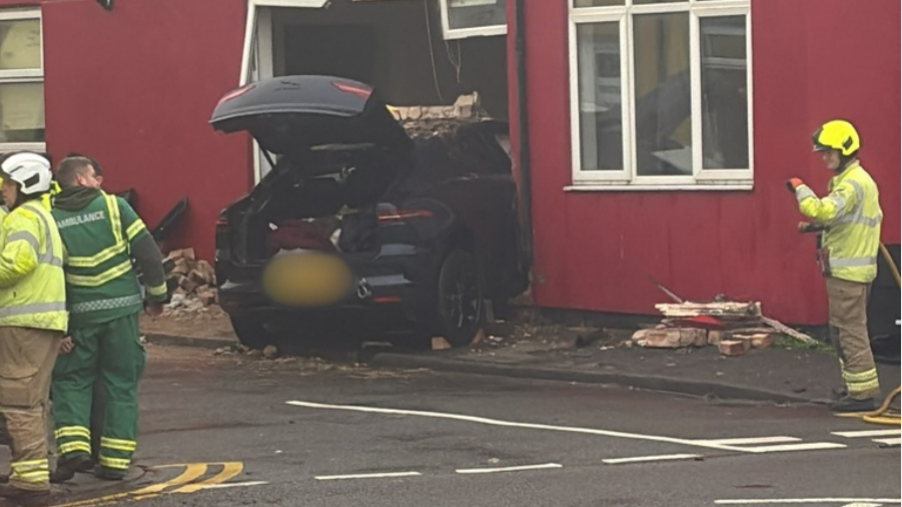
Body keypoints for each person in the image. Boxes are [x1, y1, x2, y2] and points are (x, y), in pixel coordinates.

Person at [50, 156, 168, 481]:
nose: (100, 180)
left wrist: (60, 325)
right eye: (94, 175)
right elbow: (148, 253)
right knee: (120, 384)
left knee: (71, 380)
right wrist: (157, 297)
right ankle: (115, 462)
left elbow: (52, 277)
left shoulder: (51, 217)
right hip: (122, 313)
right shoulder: (116, 207)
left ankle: (74, 450)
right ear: (82, 180)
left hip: (80, 318)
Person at [786, 119, 884, 413]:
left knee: (850, 332)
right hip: (847, 273)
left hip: (848, 276)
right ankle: (855, 388)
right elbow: (842, 221)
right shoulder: (851, 181)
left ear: (845, 150)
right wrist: (813, 228)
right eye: (823, 152)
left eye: (829, 152)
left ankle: (863, 396)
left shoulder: (852, 185)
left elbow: (824, 210)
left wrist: (801, 189)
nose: (825, 158)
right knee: (842, 332)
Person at [0, 152, 67, 504]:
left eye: (8, 183)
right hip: (41, 323)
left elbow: (17, 262)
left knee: (18, 400)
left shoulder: (24, 217)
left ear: (25, 184)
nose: (4, 189)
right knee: (32, 400)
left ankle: (30, 483)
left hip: (23, 322)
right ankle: (30, 474)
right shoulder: (43, 214)